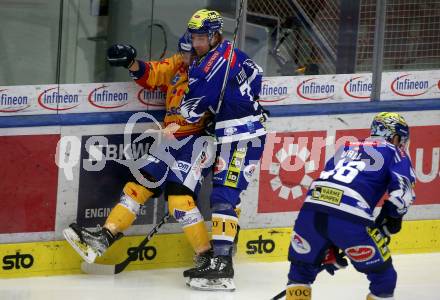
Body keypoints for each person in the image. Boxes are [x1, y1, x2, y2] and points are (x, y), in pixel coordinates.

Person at [63, 33, 215, 268]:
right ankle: (104, 238)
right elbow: (153, 73)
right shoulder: (177, 65)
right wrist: (131, 62)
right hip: (170, 140)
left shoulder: (216, 72)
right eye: (183, 52)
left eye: (189, 53)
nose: (184, 58)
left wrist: (220, 117)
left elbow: (236, 101)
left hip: (197, 142)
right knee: (138, 185)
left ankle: (206, 257)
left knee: (179, 201)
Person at [178, 9, 268, 291]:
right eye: (193, 37)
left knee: (224, 194)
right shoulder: (236, 54)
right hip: (237, 133)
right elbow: (257, 77)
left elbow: (191, 110)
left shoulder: (208, 66)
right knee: (225, 194)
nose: (196, 43)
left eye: (201, 37)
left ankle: (223, 263)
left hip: (241, 137)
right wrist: (232, 107)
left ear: (215, 35)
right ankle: (223, 253)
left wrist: (212, 113)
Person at [284, 112, 416, 300]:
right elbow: (402, 194)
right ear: (396, 137)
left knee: (300, 273)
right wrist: (391, 217)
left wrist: (328, 243)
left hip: (310, 212)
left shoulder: (346, 146)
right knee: (384, 279)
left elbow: (327, 182)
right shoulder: (395, 151)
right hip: (350, 217)